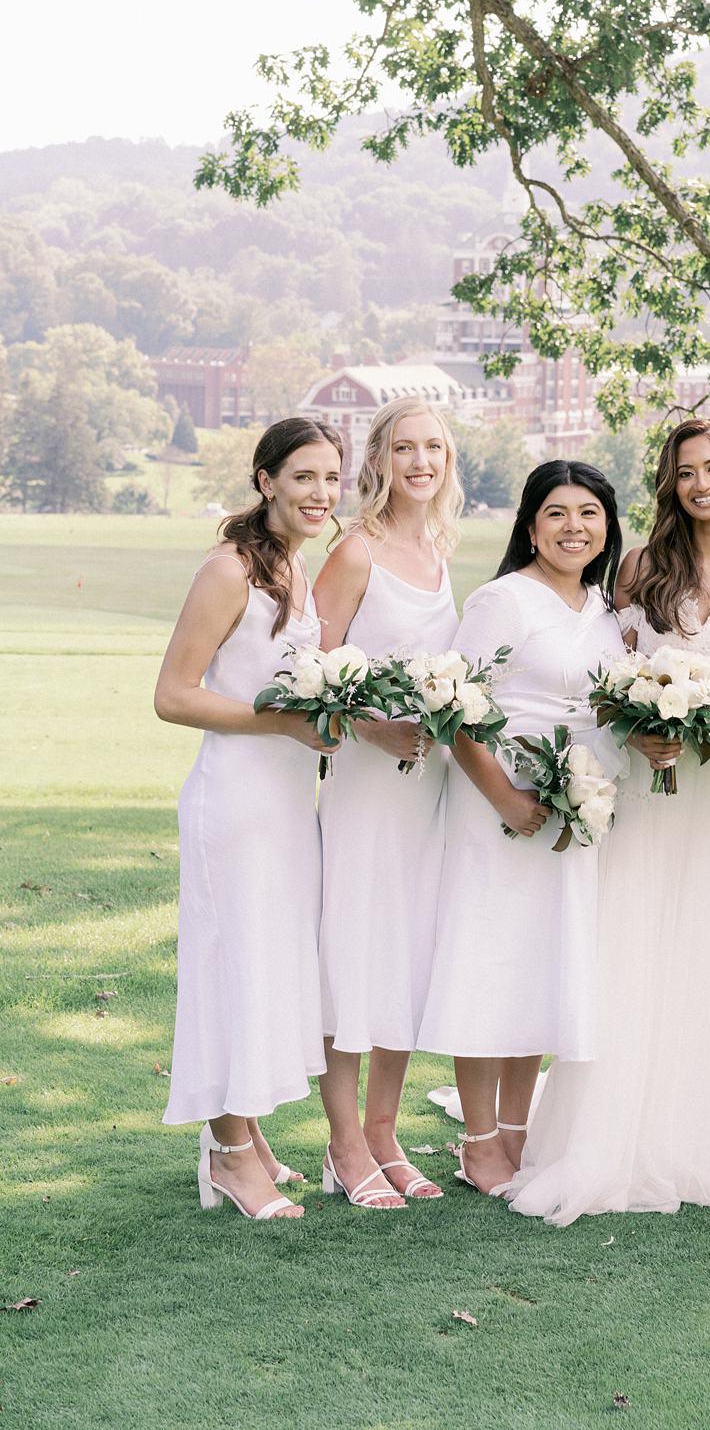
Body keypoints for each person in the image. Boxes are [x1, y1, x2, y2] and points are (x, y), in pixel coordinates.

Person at [509, 419, 710, 1225]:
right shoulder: (639, 568)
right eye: (685, 471)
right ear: (669, 484)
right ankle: (609, 1137)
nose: (701, 483)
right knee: (629, 951)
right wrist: (641, 723)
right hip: (649, 786)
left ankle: (706, 1135)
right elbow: (609, 674)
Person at [416, 461, 626, 1198]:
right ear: (530, 525)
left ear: (607, 525)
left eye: (589, 513)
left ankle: (515, 1132)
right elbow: (450, 707)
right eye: (557, 513)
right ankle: (477, 1141)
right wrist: (504, 795)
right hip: (498, 811)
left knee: (542, 970)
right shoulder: (502, 600)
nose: (575, 527)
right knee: (491, 967)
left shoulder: (605, 611)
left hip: (573, 812)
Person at [154, 416, 343, 1220]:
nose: (320, 493)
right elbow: (173, 694)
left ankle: (252, 1134)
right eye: (304, 476)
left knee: (268, 964)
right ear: (266, 479)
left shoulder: (296, 573)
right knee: (233, 964)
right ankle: (228, 1154)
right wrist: (283, 724)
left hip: (286, 803)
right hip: (234, 800)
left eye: (332, 479)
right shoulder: (229, 570)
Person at [312, 399, 463, 1209]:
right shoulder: (355, 550)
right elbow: (309, 671)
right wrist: (369, 729)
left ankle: (383, 1133)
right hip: (369, 787)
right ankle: (342, 1146)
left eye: (433, 448)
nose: (419, 462)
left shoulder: (437, 550)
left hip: (428, 788)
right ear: (379, 458)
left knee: (405, 957)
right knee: (354, 956)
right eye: (404, 448)